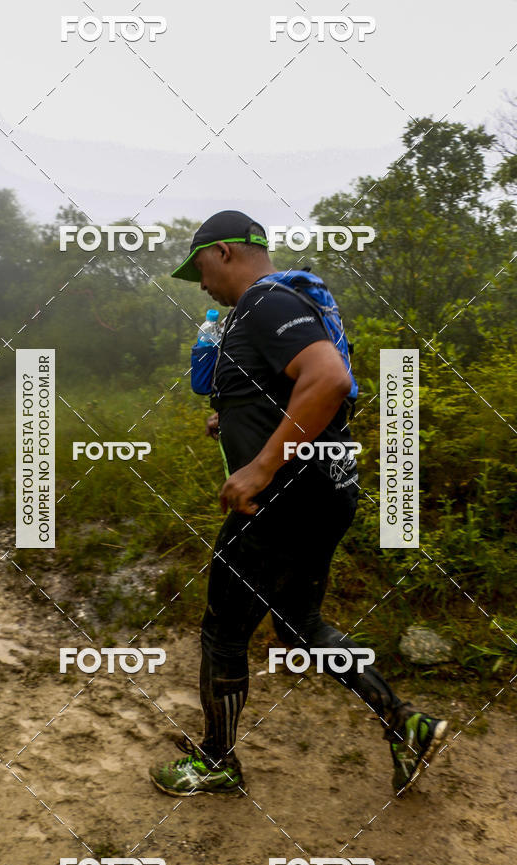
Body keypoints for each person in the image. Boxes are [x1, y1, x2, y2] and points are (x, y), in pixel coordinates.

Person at [149, 210, 448, 798]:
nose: (201, 283)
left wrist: (259, 467)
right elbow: (297, 394)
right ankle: (406, 723)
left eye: (201, 268)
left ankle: (217, 761)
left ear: (226, 253)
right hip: (325, 491)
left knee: (224, 631)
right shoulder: (264, 312)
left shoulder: (267, 303)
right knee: (297, 623)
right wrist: (234, 415)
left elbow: (329, 380)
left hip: (280, 500)